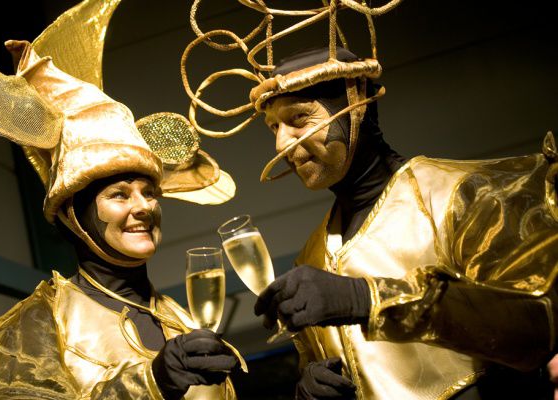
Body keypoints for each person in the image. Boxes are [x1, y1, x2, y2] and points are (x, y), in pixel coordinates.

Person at [181, 2, 558, 398]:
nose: (281, 144)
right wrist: (310, 386)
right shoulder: (311, 259)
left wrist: (364, 298)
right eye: (273, 127)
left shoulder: (464, 192)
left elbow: (537, 326)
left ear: (356, 103)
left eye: (299, 118)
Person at [0, 1, 242, 399]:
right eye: (119, 194)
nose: (144, 207)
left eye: (149, 192)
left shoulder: (178, 316)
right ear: (73, 215)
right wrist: (151, 383)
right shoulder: (41, 328)